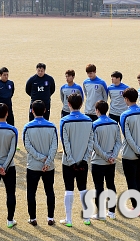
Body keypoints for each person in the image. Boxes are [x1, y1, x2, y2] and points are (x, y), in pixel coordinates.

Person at [59, 93, 94, 227]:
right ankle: (86, 217)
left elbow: (65, 142)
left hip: (68, 162)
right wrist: (85, 159)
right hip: (83, 161)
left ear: (68, 104)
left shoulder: (64, 121)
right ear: (81, 104)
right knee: (83, 188)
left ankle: (69, 219)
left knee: (69, 189)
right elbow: (91, 141)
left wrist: (72, 160)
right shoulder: (88, 120)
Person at [23, 100, 58, 227]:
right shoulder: (52, 126)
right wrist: (47, 161)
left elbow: (28, 146)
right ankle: (50, 217)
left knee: (31, 192)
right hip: (48, 166)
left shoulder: (27, 127)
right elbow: (54, 147)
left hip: (33, 165)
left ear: (32, 111)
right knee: (49, 191)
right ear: (44, 110)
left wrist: (40, 158)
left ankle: (33, 218)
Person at [120, 88, 140, 216]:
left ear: (126, 99)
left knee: (131, 180)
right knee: (137, 178)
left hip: (129, 154)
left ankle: (136, 207)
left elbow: (127, 136)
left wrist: (137, 150)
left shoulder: (124, 115)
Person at [91, 100, 122, 220]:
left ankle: (100, 213)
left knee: (99, 187)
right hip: (111, 161)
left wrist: (105, 156)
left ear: (97, 110)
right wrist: (112, 156)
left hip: (98, 161)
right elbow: (118, 142)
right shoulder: (115, 124)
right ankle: (112, 212)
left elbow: (94, 144)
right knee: (111, 185)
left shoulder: (94, 124)